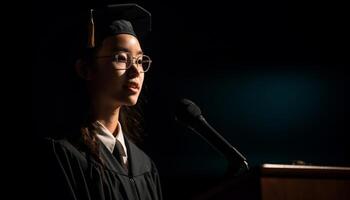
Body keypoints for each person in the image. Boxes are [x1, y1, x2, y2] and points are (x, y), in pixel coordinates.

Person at [37, 4, 163, 200]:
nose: (136, 71)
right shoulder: (63, 154)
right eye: (121, 58)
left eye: (139, 60)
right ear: (85, 69)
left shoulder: (145, 166)